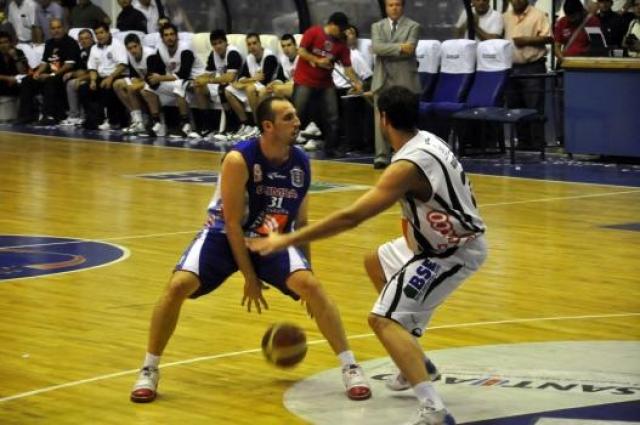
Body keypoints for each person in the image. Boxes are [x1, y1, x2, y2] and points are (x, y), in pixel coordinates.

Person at [248, 86, 487, 425]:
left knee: (382, 320)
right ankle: (417, 361)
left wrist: (287, 240)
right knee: (375, 262)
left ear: (383, 118)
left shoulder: (406, 165)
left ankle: (434, 410)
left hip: (452, 250)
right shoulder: (426, 140)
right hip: (433, 240)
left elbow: (351, 218)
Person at [129, 96, 372, 404]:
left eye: (296, 116)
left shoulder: (300, 161)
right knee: (177, 286)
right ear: (268, 126)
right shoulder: (238, 159)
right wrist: (249, 277)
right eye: (288, 117)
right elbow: (231, 223)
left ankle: (350, 366)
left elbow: (303, 221)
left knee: (312, 287)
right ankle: (149, 368)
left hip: (271, 238)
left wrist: (307, 278)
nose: (297, 122)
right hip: (223, 235)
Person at [292, 11, 362, 158]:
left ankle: (331, 148)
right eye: (340, 28)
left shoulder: (341, 44)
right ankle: (287, 146)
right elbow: (301, 51)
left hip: (325, 83)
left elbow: (347, 67)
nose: (342, 32)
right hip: (304, 80)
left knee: (333, 116)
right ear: (331, 25)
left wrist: (356, 82)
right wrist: (318, 60)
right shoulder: (314, 32)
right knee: (296, 113)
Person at [371, 0, 421, 169]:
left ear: (403, 6)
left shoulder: (413, 26)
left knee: (404, 117)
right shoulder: (377, 26)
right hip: (382, 78)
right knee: (380, 117)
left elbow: (410, 49)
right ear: (386, 7)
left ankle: (407, 154)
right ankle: (381, 156)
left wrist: (387, 48)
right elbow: (377, 48)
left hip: (404, 78)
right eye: (390, 5)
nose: (394, 8)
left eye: (397, 4)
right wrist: (400, 47)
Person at [503, 0, 553, 147]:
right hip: (511, 68)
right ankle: (523, 142)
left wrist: (527, 40)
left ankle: (537, 143)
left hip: (533, 67)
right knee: (515, 107)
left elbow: (549, 37)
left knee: (534, 107)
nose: (516, 1)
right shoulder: (504, 17)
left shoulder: (538, 15)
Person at [140, 23, 203, 137]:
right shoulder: (160, 48)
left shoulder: (186, 48)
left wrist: (160, 78)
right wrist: (152, 78)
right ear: (162, 38)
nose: (169, 37)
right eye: (166, 35)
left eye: (172, 34)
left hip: (195, 80)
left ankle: (186, 125)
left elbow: (184, 74)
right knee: (147, 88)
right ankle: (157, 123)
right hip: (177, 81)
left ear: (177, 36)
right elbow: (154, 70)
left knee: (179, 84)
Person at [17, 18, 80, 125]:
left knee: (50, 81)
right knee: (27, 80)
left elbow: (69, 65)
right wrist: (37, 73)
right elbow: (44, 63)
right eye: (53, 28)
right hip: (50, 73)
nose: (56, 30)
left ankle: (49, 116)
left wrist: (52, 74)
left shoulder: (70, 42)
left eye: (58, 27)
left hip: (64, 75)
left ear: (63, 28)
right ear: (50, 30)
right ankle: (27, 116)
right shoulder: (49, 43)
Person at [218, 33, 279, 142]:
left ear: (260, 44)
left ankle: (257, 125)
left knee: (249, 88)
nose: (252, 46)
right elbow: (242, 77)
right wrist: (251, 79)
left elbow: (264, 80)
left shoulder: (269, 57)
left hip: (268, 89)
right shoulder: (249, 58)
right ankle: (246, 124)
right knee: (228, 90)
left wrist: (246, 82)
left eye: (255, 43)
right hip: (254, 86)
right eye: (249, 44)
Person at [191, 29, 243, 138]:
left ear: (226, 42)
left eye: (220, 42)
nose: (218, 46)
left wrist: (208, 80)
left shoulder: (233, 53)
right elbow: (209, 74)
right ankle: (207, 126)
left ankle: (232, 125)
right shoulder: (213, 54)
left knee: (223, 88)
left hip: (236, 85)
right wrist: (198, 79)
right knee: (199, 87)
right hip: (221, 83)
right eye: (214, 44)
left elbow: (230, 77)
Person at [78, 23, 127, 130]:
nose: (99, 36)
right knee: (84, 88)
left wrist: (111, 77)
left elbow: (123, 65)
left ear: (108, 32)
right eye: (97, 33)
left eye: (102, 32)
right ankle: (94, 119)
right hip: (101, 76)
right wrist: (93, 80)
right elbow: (92, 68)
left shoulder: (117, 44)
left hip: (117, 75)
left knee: (107, 86)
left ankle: (113, 121)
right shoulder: (95, 48)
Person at [113, 32, 154, 133]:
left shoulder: (150, 54)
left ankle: (141, 120)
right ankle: (137, 119)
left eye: (135, 47)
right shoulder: (130, 56)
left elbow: (154, 78)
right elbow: (134, 75)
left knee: (132, 87)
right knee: (117, 84)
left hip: (157, 81)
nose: (133, 50)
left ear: (140, 45)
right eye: (129, 48)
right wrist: (135, 81)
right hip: (144, 80)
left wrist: (136, 84)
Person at [59, 27, 93, 126]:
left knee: (75, 84)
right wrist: (72, 74)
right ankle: (75, 115)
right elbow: (81, 69)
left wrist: (80, 78)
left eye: (86, 38)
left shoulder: (95, 50)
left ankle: (80, 115)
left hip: (97, 77)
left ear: (92, 39)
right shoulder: (81, 52)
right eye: (81, 39)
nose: (84, 41)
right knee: (69, 81)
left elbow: (94, 71)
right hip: (87, 76)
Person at [258, 33, 297, 101]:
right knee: (263, 92)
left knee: (278, 89)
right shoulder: (283, 59)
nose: (286, 48)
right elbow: (280, 78)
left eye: (289, 45)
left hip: (300, 86)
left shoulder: (302, 57)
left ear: (295, 45)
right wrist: (273, 84)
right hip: (286, 85)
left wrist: (285, 84)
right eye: (283, 46)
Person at [0, 30, 28, 96]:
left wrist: (15, 58)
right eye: (0, 43)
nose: (3, 45)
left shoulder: (19, 52)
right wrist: (8, 78)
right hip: (3, 89)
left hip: (18, 87)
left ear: (10, 43)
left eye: (5, 42)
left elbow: (24, 72)